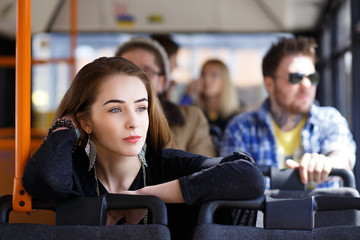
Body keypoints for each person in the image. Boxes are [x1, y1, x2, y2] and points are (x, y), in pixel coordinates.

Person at [22, 57, 265, 239]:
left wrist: (144, 196)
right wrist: (66, 125)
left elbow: (249, 176)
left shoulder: (168, 165)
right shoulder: (72, 172)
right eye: (115, 109)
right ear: (86, 121)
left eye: (141, 108)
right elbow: (46, 179)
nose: (134, 122)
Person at [220, 36, 356, 188]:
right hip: (263, 213)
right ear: (269, 84)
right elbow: (230, 186)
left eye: (312, 77)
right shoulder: (241, 128)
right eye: (295, 78)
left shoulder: (329, 119)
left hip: (320, 213)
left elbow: (342, 155)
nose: (306, 84)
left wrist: (327, 163)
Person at [115, 37, 216, 157]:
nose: (136, 80)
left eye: (147, 72)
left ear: (162, 82)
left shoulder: (192, 119)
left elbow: (207, 171)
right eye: (127, 71)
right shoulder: (99, 120)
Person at [180, 59, 241, 155]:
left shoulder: (236, 116)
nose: (207, 80)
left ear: (224, 80)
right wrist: (188, 96)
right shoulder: (195, 111)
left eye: (214, 75)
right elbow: (178, 125)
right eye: (203, 75)